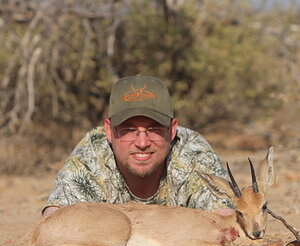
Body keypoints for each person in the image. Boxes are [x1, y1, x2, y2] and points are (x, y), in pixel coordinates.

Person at [43, 75, 234, 216]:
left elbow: (226, 216)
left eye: (154, 129)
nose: (142, 143)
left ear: (172, 129)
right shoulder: (92, 151)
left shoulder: (191, 151)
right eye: (128, 130)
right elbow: (53, 218)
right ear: (109, 130)